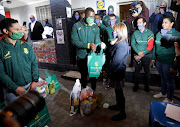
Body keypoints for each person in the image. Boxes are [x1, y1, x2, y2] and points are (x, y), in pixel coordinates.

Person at [0, 18, 39, 104]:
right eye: (17, 30)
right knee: (18, 115)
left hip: (31, 86)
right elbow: (1, 73)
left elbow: (34, 63)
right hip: (12, 91)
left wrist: (35, 80)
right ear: (6, 31)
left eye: (20, 29)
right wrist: (15, 88)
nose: (20, 32)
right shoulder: (1, 49)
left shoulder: (26, 46)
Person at [71, 7, 101, 91]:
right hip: (81, 56)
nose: (92, 19)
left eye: (93, 17)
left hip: (92, 56)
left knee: (93, 76)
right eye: (90, 17)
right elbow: (74, 41)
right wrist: (88, 45)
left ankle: (93, 92)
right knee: (83, 75)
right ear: (85, 15)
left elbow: (97, 40)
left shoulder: (96, 28)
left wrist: (98, 45)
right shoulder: (76, 26)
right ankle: (84, 91)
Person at [152, 16, 180, 103]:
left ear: (172, 24)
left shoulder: (176, 34)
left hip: (169, 62)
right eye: (162, 22)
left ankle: (169, 98)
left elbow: (178, 52)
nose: (163, 24)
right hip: (159, 61)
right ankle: (163, 93)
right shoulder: (159, 34)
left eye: (166, 22)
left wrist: (174, 66)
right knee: (162, 78)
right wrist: (153, 58)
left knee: (169, 80)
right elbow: (155, 47)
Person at [105, 23, 129, 121]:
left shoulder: (122, 45)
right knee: (117, 90)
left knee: (119, 92)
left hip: (117, 72)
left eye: (114, 30)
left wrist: (107, 70)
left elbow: (115, 62)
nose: (113, 32)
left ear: (119, 31)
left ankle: (122, 113)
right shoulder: (118, 42)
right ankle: (118, 105)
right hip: (115, 71)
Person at [131, 17, 154, 92]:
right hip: (137, 55)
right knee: (136, 72)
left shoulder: (149, 33)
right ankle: (136, 86)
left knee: (147, 72)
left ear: (144, 23)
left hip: (146, 55)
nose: (138, 24)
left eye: (140, 23)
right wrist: (138, 53)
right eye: (137, 23)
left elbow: (150, 46)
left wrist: (141, 54)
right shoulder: (135, 33)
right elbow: (133, 44)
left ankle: (147, 86)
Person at [127, 1, 149, 67]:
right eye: (136, 7)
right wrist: (131, 14)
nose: (137, 8)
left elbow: (146, 20)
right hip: (134, 31)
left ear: (142, 7)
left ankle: (143, 63)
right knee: (134, 47)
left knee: (142, 46)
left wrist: (138, 15)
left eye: (139, 7)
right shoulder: (134, 11)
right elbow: (129, 21)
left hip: (142, 32)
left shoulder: (145, 10)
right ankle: (133, 62)